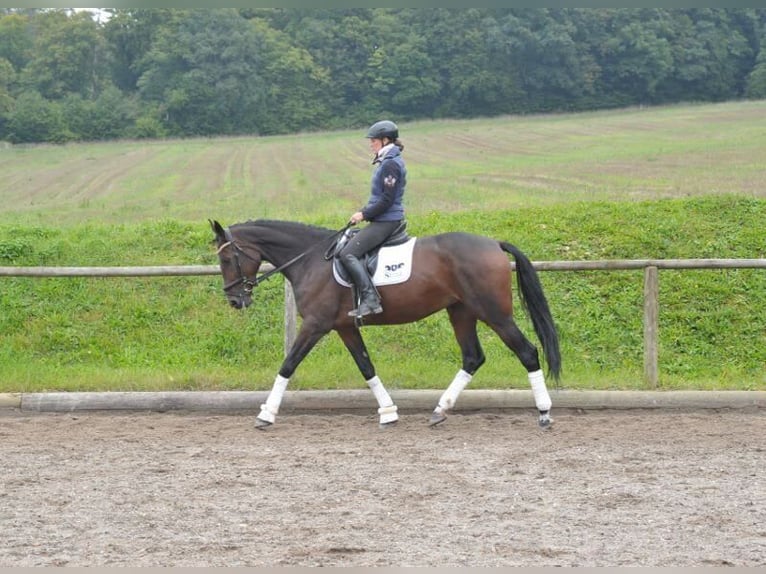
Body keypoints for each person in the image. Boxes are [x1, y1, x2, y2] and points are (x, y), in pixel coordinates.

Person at [338, 119, 407, 318]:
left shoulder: (391, 164)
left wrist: (364, 214)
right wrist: (363, 210)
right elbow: (379, 198)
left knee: (348, 253)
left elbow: (386, 200)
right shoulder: (386, 161)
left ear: (385, 140)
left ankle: (370, 299)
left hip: (387, 221)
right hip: (382, 218)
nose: (370, 144)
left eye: (374, 140)